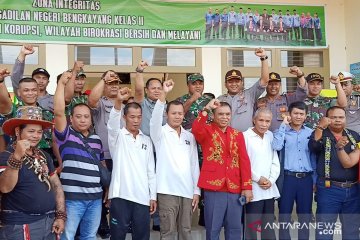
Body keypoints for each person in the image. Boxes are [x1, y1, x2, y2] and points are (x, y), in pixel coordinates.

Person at [0, 105, 66, 239]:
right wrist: (17, 156)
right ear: (18, 131)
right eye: (31, 131)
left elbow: (57, 186)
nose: (36, 136)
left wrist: (60, 216)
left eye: (39, 132)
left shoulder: (44, 155)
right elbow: (5, 188)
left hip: (49, 222)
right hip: (20, 226)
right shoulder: (6, 156)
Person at [192, 99, 253, 240]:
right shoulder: (206, 130)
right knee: (213, 228)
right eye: (220, 114)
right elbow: (196, 128)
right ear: (213, 116)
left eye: (227, 114)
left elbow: (244, 161)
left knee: (235, 228)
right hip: (214, 188)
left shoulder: (238, 135)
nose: (225, 117)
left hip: (234, 187)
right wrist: (206, 108)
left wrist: (247, 186)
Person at [54, 72, 105, 240]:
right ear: (71, 119)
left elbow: (101, 165)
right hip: (73, 199)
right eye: (78, 116)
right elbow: (59, 112)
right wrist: (61, 85)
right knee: (66, 236)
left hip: (95, 199)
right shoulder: (66, 135)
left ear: (91, 119)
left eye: (86, 117)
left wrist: (107, 189)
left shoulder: (97, 140)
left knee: (89, 236)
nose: (82, 120)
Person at [150, 79, 200, 240]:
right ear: (167, 114)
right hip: (167, 191)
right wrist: (163, 94)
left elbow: (194, 165)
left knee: (186, 231)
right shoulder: (160, 133)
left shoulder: (189, 136)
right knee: (168, 232)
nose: (177, 116)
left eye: (180, 113)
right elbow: (154, 119)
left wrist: (196, 191)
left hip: (187, 192)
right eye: (173, 113)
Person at [107, 87, 157, 240]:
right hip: (120, 196)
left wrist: (152, 196)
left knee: (142, 237)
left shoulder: (146, 140)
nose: (136, 120)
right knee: (117, 236)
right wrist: (118, 101)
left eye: (139, 117)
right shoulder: (118, 137)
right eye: (132, 117)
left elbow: (151, 171)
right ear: (124, 117)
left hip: (142, 198)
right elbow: (112, 125)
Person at [309, 106, 360, 240]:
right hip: (328, 189)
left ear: (345, 119)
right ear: (327, 119)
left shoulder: (354, 135)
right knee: (325, 230)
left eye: (341, 117)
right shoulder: (321, 133)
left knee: (352, 230)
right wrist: (320, 127)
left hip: (353, 189)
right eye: (333, 117)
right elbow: (314, 147)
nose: (337, 120)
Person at [272, 101, 314, 240]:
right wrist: (283, 125)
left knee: (305, 215)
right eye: (295, 113)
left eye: (301, 114)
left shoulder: (311, 133)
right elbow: (277, 146)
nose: (298, 116)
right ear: (289, 114)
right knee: (284, 214)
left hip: (306, 179)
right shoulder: (280, 131)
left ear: (306, 116)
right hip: (287, 178)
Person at [88, 70, 121, 239]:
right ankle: (102, 223)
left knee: (119, 191)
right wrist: (104, 79)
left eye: (116, 83)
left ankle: (119, 222)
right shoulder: (100, 103)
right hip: (103, 156)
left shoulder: (124, 104)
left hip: (122, 156)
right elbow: (92, 99)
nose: (114, 86)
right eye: (110, 84)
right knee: (102, 191)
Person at [134, 60, 166, 231]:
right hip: (144, 151)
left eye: (159, 88)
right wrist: (139, 71)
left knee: (159, 184)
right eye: (152, 88)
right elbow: (137, 89)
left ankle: (158, 218)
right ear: (147, 90)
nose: (156, 90)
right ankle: (142, 218)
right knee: (144, 183)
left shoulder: (166, 107)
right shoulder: (142, 103)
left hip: (161, 152)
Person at [243, 108, 280, 240]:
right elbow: (243, 163)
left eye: (267, 121)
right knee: (252, 227)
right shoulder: (244, 136)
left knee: (268, 226)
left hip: (268, 188)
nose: (264, 124)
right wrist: (258, 178)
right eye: (261, 120)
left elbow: (275, 160)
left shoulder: (270, 135)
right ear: (254, 119)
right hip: (253, 189)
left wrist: (271, 179)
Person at [218, 48, 268, 132]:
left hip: (245, 140)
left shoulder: (250, 94)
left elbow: (264, 80)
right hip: (225, 140)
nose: (234, 84)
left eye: (237, 81)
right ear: (225, 84)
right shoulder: (220, 99)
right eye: (230, 82)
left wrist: (263, 58)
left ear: (242, 83)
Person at [257, 66, 307, 132]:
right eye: (270, 84)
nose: (273, 87)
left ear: (280, 85)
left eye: (276, 84)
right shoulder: (259, 102)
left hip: (284, 138)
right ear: (266, 85)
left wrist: (300, 75)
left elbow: (302, 93)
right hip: (264, 138)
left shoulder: (287, 99)